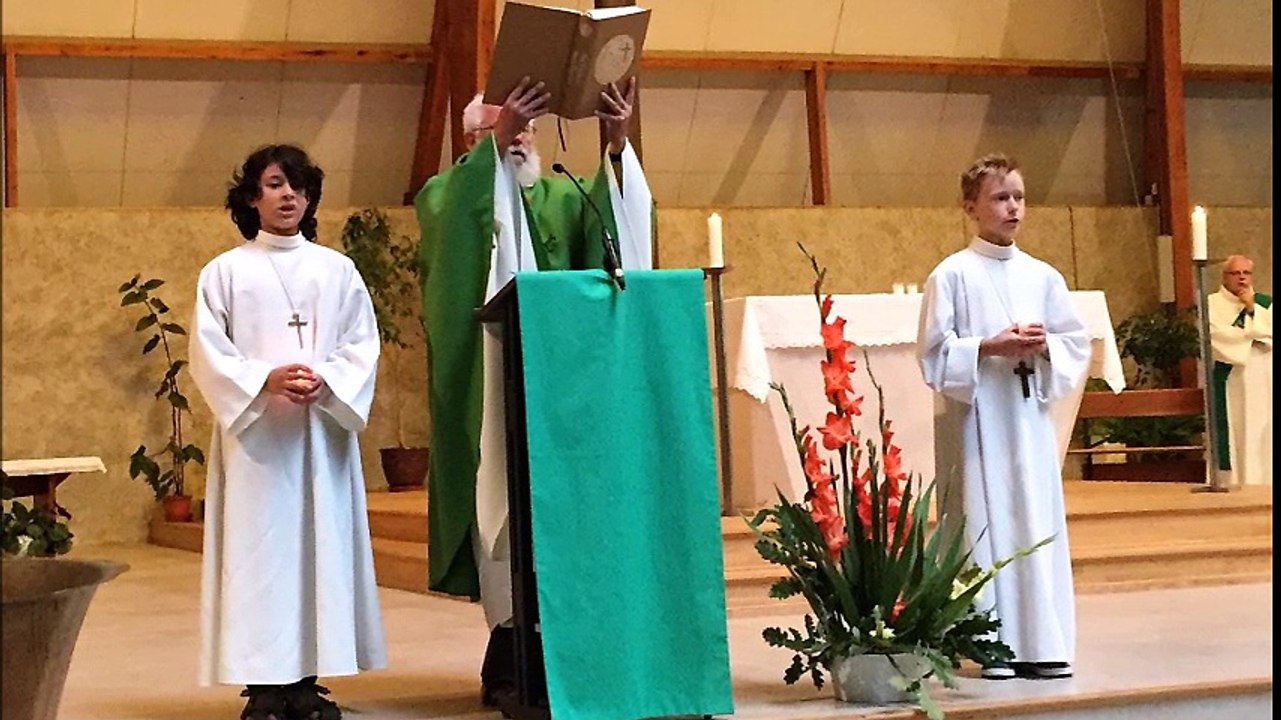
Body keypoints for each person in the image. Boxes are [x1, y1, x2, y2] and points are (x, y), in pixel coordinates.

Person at [415, 77, 653, 706]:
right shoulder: (445, 193)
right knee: (503, 504)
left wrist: (618, 142)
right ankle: (510, 646)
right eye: (503, 126)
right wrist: (491, 152)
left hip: (566, 388)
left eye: (525, 125)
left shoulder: (563, 195)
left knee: (563, 512)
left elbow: (614, 238)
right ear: (474, 137)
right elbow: (457, 228)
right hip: (492, 382)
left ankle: (565, 644)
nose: (518, 136)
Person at [190, 144, 386, 720]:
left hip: (319, 436)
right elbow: (209, 351)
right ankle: (264, 687)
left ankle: (305, 682)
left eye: (297, 186)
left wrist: (326, 381)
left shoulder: (337, 270)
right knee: (260, 558)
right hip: (257, 445)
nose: (288, 195)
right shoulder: (225, 272)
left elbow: (361, 344)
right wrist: (263, 379)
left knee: (319, 552)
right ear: (252, 196)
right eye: (274, 184)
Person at [916, 153, 1091, 680]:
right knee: (988, 521)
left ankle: (1044, 641)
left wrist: (1043, 348)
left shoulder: (1043, 275)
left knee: (1035, 518)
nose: (1012, 206)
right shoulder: (951, 275)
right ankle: (993, 646)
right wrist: (988, 347)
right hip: (979, 425)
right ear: (971, 206)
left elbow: (1074, 342)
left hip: (1028, 420)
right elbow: (931, 353)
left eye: (1018, 196)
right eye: (999, 197)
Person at [1207, 254, 1272, 486]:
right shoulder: (1211, 304)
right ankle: (1231, 482)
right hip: (1232, 377)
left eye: (1246, 273)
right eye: (1236, 273)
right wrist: (1257, 334)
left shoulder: (1265, 303)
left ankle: (1265, 482)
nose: (1242, 278)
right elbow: (1217, 336)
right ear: (1225, 276)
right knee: (1236, 431)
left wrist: (1252, 309)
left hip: (1263, 377)